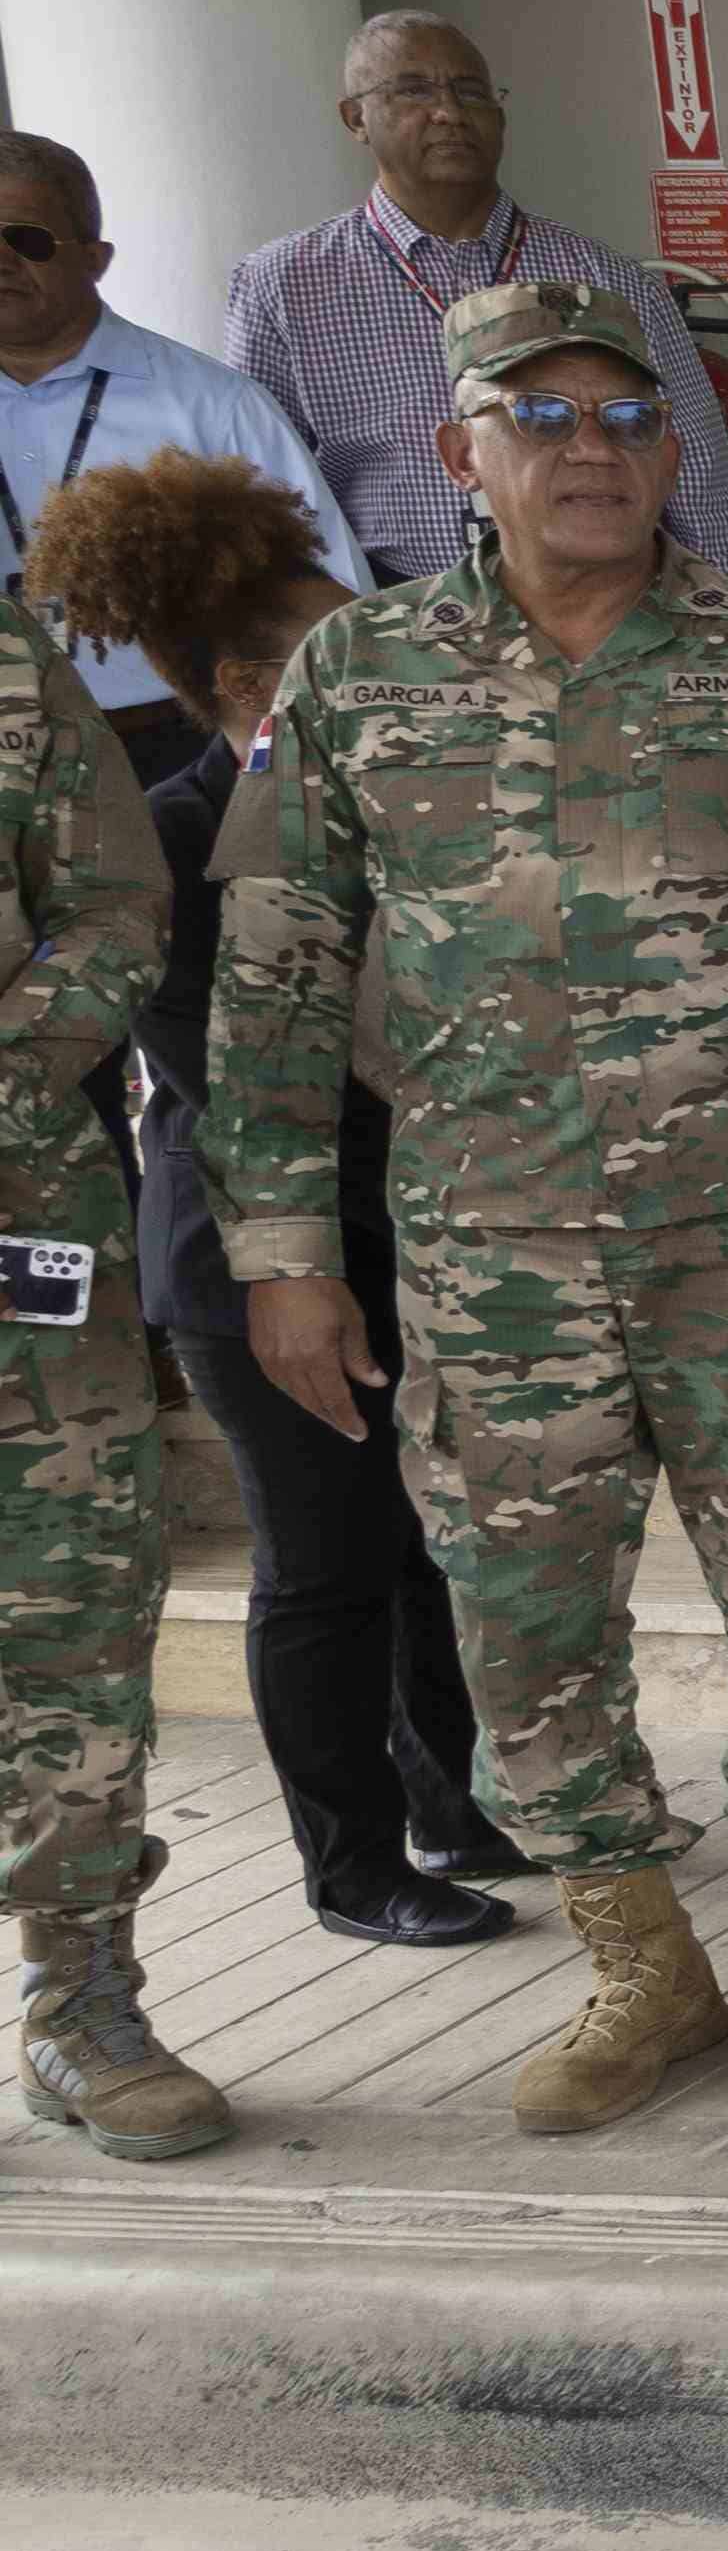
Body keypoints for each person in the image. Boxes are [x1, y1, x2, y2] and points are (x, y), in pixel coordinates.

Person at [213, 277, 728, 2132]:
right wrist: (280, 1256)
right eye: (544, 417)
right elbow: (272, 971)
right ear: (459, 453)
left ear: (683, 449)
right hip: (493, 1259)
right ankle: (641, 1962)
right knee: (518, 1626)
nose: (593, 451)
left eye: (631, 419)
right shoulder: (358, 681)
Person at [21, 454, 524, 1947]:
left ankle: (459, 1802)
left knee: (432, 1542)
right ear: (249, 681)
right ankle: (352, 1862)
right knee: (324, 1564)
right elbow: (241, 1071)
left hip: (411, 1222)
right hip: (249, 1259)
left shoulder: (396, 808)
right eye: (332, 649)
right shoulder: (176, 837)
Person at [0, 578, 195, 2153]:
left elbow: (116, 905)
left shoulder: (10, 665)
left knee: (67, 1604)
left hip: (17, 1220)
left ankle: (83, 1996)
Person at [224, 13, 728, 580]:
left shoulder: (608, 278)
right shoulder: (284, 283)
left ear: (499, 116)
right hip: (397, 621)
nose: (449, 112)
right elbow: (263, 497)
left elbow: (698, 470)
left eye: (470, 91)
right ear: (356, 117)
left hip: (603, 614)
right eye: (413, 90)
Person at [0, 132, 369, 782]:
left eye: (25, 238)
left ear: (95, 257)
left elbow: (332, 605)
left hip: (170, 749)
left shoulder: (213, 405)